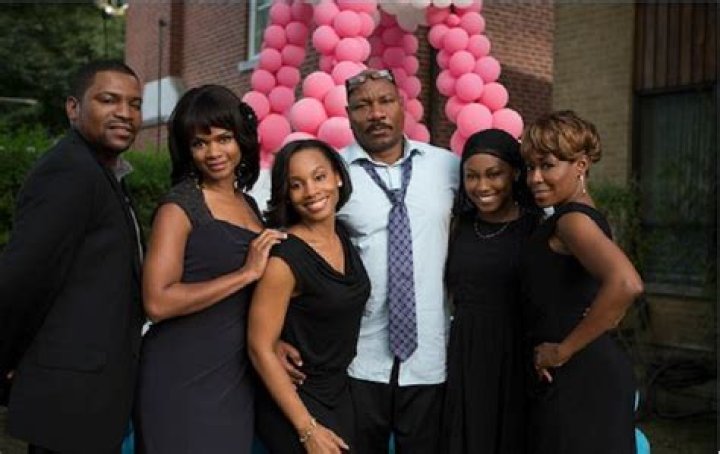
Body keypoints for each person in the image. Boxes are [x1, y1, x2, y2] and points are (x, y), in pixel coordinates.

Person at [278, 69, 459, 453]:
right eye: (362, 106)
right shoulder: (330, 175)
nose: (376, 113)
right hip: (358, 363)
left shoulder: (447, 167)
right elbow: (290, 251)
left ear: (403, 105)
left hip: (430, 361)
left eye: (385, 101)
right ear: (348, 114)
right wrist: (274, 337)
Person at [0, 60, 145, 453]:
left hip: (91, 397)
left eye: (134, 104)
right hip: (68, 398)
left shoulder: (104, 173)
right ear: (73, 108)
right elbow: (22, 278)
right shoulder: (70, 171)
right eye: (109, 100)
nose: (125, 113)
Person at [133, 85, 285, 453]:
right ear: (187, 149)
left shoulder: (248, 204)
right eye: (200, 143)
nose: (214, 152)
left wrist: (272, 342)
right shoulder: (179, 207)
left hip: (234, 377)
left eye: (223, 138)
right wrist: (245, 274)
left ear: (241, 139)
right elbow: (157, 302)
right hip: (182, 376)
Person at [520, 110, 643, 454]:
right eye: (530, 167)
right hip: (579, 374)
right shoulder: (576, 215)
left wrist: (562, 351)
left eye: (547, 165)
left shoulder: (572, 221)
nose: (535, 178)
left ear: (581, 165)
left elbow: (626, 284)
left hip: (582, 377)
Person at [249, 139, 370, 453]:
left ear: (338, 177)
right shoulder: (284, 259)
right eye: (296, 184)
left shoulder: (341, 234)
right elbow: (260, 348)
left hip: (337, 391)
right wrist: (307, 429)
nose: (311, 191)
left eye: (319, 177)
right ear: (286, 194)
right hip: (296, 400)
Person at [441, 129, 540, 453]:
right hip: (465, 352)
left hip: (517, 354)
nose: (482, 186)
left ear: (515, 173)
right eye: (472, 176)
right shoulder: (458, 225)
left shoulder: (538, 228)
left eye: (494, 174)